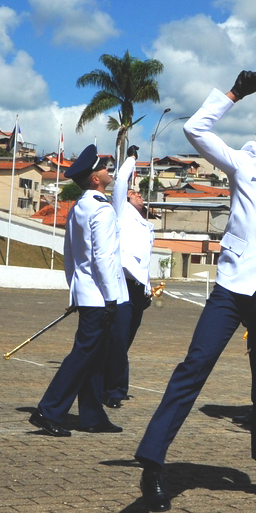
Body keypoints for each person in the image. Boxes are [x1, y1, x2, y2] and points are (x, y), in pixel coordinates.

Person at [135, 69, 256, 510]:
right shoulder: (246, 160)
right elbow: (194, 129)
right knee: (194, 365)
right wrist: (235, 92)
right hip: (234, 286)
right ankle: (152, 464)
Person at [28, 145, 125, 437]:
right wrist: (111, 298)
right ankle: (49, 409)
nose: (109, 172)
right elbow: (103, 258)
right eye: (105, 169)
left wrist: (75, 290)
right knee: (83, 355)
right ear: (95, 179)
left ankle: (93, 415)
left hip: (86, 291)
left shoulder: (79, 207)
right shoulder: (102, 209)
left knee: (95, 356)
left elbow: (69, 254)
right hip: (100, 295)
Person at [103, 149, 154, 408]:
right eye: (135, 193)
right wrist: (132, 159)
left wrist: (148, 289)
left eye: (139, 194)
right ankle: (113, 389)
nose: (138, 194)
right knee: (119, 337)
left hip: (137, 288)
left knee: (127, 338)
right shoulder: (119, 210)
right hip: (121, 283)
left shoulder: (147, 226)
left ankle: (118, 386)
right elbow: (121, 181)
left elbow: (145, 262)